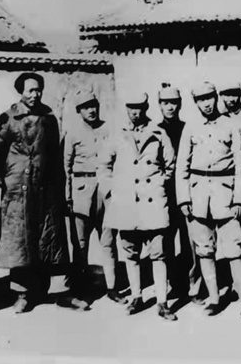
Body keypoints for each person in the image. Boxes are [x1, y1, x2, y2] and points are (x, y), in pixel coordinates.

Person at [0, 73, 80, 313]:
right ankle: (21, 294)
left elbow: (55, 154)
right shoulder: (8, 118)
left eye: (38, 90)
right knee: (19, 241)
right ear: (20, 91)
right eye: (30, 90)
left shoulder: (48, 118)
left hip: (45, 187)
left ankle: (55, 291)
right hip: (17, 189)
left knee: (49, 238)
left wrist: (59, 187)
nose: (35, 94)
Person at [176, 81, 241, 324]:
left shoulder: (231, 126)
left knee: (235, 249)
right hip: (198, 196)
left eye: (210, 98)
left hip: (227, 196)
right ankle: (214, 298)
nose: (207, 103)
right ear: (196, 103)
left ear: (216, 98)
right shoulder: (191, 128)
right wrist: (184, 198)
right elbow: (182, 166)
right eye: (201, 100)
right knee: (204, 249)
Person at [101, 92, 178, 321]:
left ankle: (162, 302)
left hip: (152, 202)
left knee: (158, 253)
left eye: (140, 107)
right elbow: (104, 165)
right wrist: (112, 191)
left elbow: (170, 164)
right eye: (131, 108)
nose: (136, 112)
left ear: (146, 108)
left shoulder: (158, 133)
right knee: (130, 252)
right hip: (126, 202)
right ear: (126, 108)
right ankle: (136, 296)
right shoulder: (117, 134)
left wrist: (159, 184)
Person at [63, 87, 123, 304]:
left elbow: (119, 161)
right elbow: (65, 167)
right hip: (81, 193)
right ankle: (79, 288)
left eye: (93, 106)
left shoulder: (109, 129)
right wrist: (67, 197)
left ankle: (112, 287)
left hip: (105, 192)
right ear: (78, 111)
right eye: (85, 107)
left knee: (108, 241)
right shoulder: (72, 133)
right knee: (80, 244)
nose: (91, 111)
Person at [157, 83, 202, 303]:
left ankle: (193, 286)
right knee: (165, 242)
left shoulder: (188, 128)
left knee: (190, 242)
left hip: (185, 193)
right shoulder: (155, 130)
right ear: (159, 105)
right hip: (164, 194)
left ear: (180, 104)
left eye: (174, 102)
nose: (170, 107)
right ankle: (172, 284)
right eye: (165, 103)